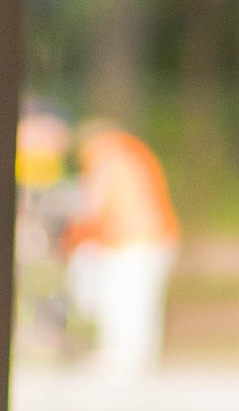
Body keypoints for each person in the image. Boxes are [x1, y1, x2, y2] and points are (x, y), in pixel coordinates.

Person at [62, 121, 178, 378]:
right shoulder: (132, 152)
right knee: (138, 300)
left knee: (124, 299)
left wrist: (78, 231)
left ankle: (124, 357)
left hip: (132, 238)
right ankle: (135, 357)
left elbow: (96, 200)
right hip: (155, 236)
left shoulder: (105, 153)